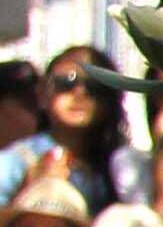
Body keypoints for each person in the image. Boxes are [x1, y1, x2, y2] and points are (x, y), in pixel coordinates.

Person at [0, 48, 146, 217]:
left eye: (94, 87)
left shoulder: (124, 166)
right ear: (42, 94)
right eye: (66, 83)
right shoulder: (15, 161)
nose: (79, 93)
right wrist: (29, 191)